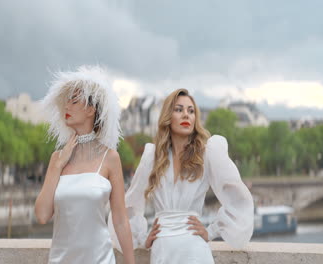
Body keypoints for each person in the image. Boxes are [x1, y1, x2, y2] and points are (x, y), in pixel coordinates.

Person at [109, 88, 254, 263]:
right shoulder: (152, 156)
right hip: (162, 251)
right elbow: (130, 203)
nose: (186, 115)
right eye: (179, 110)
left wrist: (212, 231)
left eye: (191, 111)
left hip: (195, 251)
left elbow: (238, 197)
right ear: (168, 117)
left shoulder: (207, 153)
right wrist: (142, 238)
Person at [35, 66, 135, 264]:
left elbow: (121, 220)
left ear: (91, 110)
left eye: (74, 101)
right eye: (66, 102)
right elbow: (42, 215)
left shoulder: (110, 158)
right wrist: (58, 165)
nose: (67, 107)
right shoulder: (57, 158)